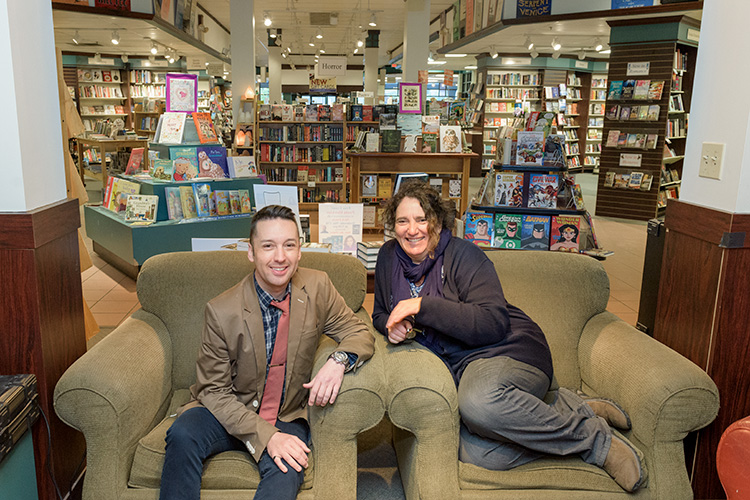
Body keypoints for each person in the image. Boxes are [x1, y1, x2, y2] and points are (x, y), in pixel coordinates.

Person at [371, 181, 645, 493]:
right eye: (403, 221)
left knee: (477, 402)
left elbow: (493, 323)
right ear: (393, 226)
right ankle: (565, 408)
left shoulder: (465, 255)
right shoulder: (388, 257)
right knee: (478, 453)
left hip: (506, 349)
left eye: (422, 219)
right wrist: (392, 327)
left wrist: (423, 307)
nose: (412, 230)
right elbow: (380, 313)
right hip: (459, 367)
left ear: (438, 222)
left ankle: (594, 440)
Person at [160, 205, 375, 500]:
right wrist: (266, 436)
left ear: (300, 251)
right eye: (268, 246)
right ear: (251, 252)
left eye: (289, 245)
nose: (280, 257)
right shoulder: (222, 310)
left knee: (287, 471)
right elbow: (214, 391)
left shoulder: (318, 286)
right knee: (183, 434)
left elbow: (359, 331)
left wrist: (338, 361)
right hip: (228, 410)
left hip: (287, 413)